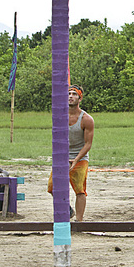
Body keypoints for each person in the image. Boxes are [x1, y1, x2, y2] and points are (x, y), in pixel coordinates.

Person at [47, 85, 95, 221]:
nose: (70, 96)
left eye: (74, 94)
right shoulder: (60, 116)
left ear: (80, 98)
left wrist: (76, 160)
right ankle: (67, 210)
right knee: (52, 187)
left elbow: (88, 144)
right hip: (63, 156)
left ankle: (79, 220)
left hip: (80, 157)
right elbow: (57, 138)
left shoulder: (86, 119)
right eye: (68, 94)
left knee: (80, 189)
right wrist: (61, 157)